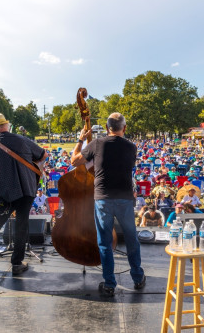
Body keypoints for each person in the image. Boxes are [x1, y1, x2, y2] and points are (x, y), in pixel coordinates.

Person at [71, 112, 145, 297]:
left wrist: (81, 140)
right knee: (131, 239)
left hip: (103, 198)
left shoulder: (96, 144)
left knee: (104, 242)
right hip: (125, 199)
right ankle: (137, 278)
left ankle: (110, 284)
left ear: (106, 128)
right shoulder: (131, 147)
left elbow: (74, 161)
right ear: (124, 128)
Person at [0, 113, 48, 275]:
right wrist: (35, 170)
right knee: (21, 226)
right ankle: (16, 263)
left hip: (3, 192)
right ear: (6, 126)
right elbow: (43, 155)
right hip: (25, 190)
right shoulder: (23, 140)